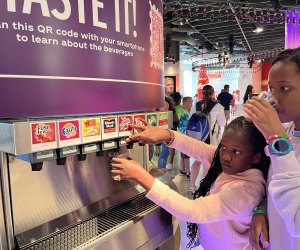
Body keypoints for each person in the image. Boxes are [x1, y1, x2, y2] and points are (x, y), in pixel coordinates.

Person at [111, 116, 270, 249]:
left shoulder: (244, 192)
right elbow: (198, 148)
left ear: (256, 157)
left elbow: (193, 211)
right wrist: (165, 134)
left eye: (236, 151)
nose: (226, 156)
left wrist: (141, 176)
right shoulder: (237, 165)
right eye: (223, 147)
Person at [244, 47, 300, 250]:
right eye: (272, 89)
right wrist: (261, 210)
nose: (274, 99)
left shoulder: (280, 138)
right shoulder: (288, 132)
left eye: (284, 89)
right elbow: (277, 186)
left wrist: (277, 140)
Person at [189, 85, 226, 193]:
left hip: (196, 138)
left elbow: (191, 120)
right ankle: (205, 188)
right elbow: (222, 123)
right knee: (207, 163)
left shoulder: (196, 105)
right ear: (213, 93)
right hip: (210, 139)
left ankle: (192, 186)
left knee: (197, 161)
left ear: (202, 93)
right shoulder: (218, 106)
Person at [157, 77, 178, 173]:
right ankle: (161, 170)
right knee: (165, 151)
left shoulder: (169, 98)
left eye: (172, 84)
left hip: (169, 128)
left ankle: (162, 170)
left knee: (166, 150)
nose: (171, 86)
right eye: (168, 85)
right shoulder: (164, 99)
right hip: (166, 128)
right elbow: (163, 114)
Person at [176, 96, 193, 179]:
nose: (191, 104)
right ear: (185, 102)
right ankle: (188, 172)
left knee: (183, 152)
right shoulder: (181, 111)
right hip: (183, 134)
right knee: (186, 153)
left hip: (184, 134)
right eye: (190, 102)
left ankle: (182, 169)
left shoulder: (185, 110)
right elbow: (178, 122)